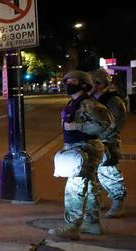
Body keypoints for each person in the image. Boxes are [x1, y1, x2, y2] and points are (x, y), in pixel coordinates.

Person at [49, 71, 113, 241]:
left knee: (74, 188)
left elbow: (105, 124)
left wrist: (78, 127)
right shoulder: (75, 102)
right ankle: (91, 223)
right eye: (67, 80)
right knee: (90, 187)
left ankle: (71, 227)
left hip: (85, 148)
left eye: (73, 81)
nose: (68, 83)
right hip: (79, 147)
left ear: (85, 84)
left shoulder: (88, 104)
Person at [91, 69, 128, 218]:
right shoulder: (90, 99)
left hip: (107, 142)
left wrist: (100, 135)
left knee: (110, 173)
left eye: (92, 82)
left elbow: (116, 123)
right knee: (92, 174)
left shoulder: (113, 101)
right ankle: (96, 201)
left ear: (100, 84)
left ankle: (118, 203)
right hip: (92, 141)